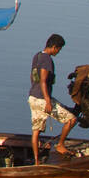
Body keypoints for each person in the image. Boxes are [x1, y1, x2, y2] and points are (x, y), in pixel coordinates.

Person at [29, 34, 77, 164]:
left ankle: (36, 160)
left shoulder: (37, 56)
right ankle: (60, 145)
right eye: (59, 49)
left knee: (36, 131)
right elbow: (43, 81)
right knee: (71, 119)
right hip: (42, 100)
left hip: (33, 97)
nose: (58, 52)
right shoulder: (47, 60)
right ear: (55, 47)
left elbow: (34, 78)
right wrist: (48, 101)